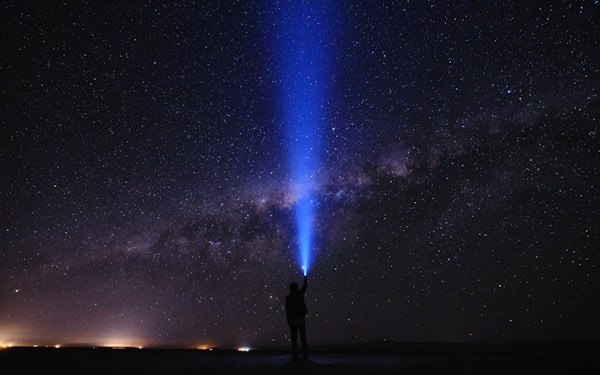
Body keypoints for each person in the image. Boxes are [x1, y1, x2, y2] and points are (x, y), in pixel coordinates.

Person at [285, 275, 308, 360]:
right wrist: (305, 278)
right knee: (303, 338)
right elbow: (305, 287)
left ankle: (295, 355)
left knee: (294, 339)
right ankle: (305, 354)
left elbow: (287, 309)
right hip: (301, 319)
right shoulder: (299, 294)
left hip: (293, 321)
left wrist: (288, 320)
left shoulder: (288, 297)